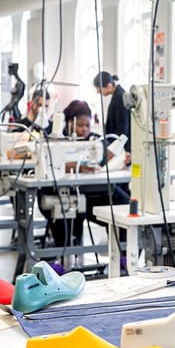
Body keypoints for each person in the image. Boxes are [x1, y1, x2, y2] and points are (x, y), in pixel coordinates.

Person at [46, 100, 130, 248]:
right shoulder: (58, 140)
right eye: (80, 125)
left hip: (99, 191)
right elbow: (50, 163)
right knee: (67, 214)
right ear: (69, 123)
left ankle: (123, 253)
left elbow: (105, 161)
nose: (84, 129)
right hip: (71, 193)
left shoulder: (96, 140)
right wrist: (78, 167)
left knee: (125, 205)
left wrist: (122, 161)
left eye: (87, 125)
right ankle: (64, 252)